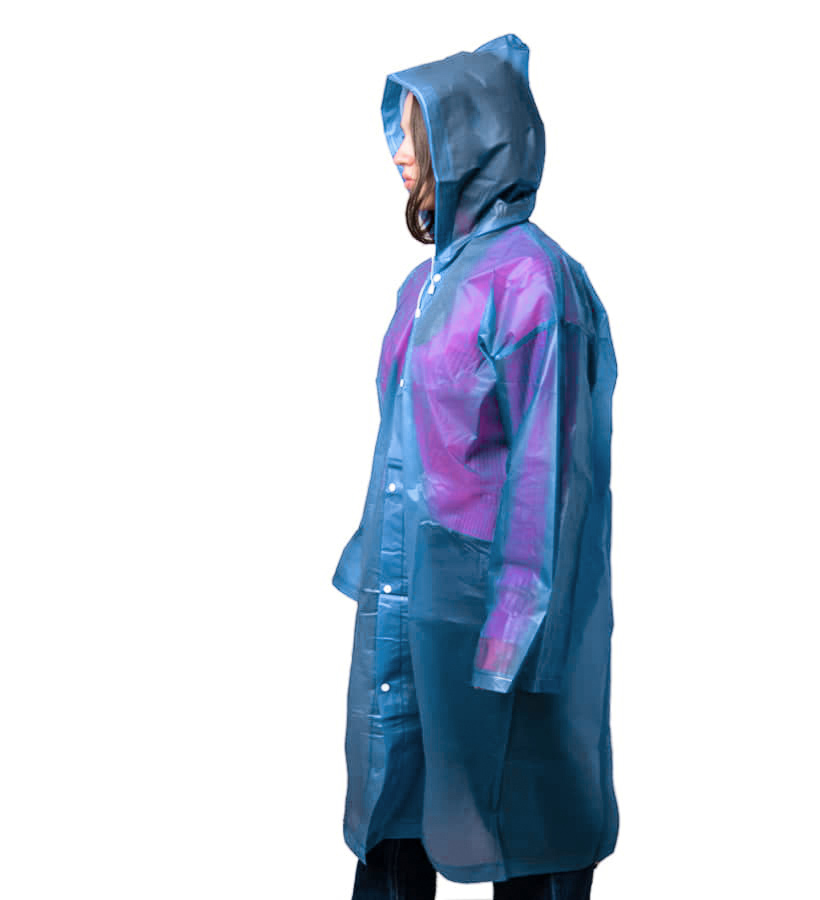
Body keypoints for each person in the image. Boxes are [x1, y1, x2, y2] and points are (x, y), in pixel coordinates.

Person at [332, 33, 619, 899]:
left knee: (525, 828)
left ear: (473, 146)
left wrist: (514, 631)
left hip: (494, 616)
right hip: (409, 603)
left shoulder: (536, 282)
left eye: (419, 138)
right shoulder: (423, 286)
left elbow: (553, 474)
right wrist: (370, 563)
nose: (402, 159)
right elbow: (402, 440)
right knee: (395, 824)